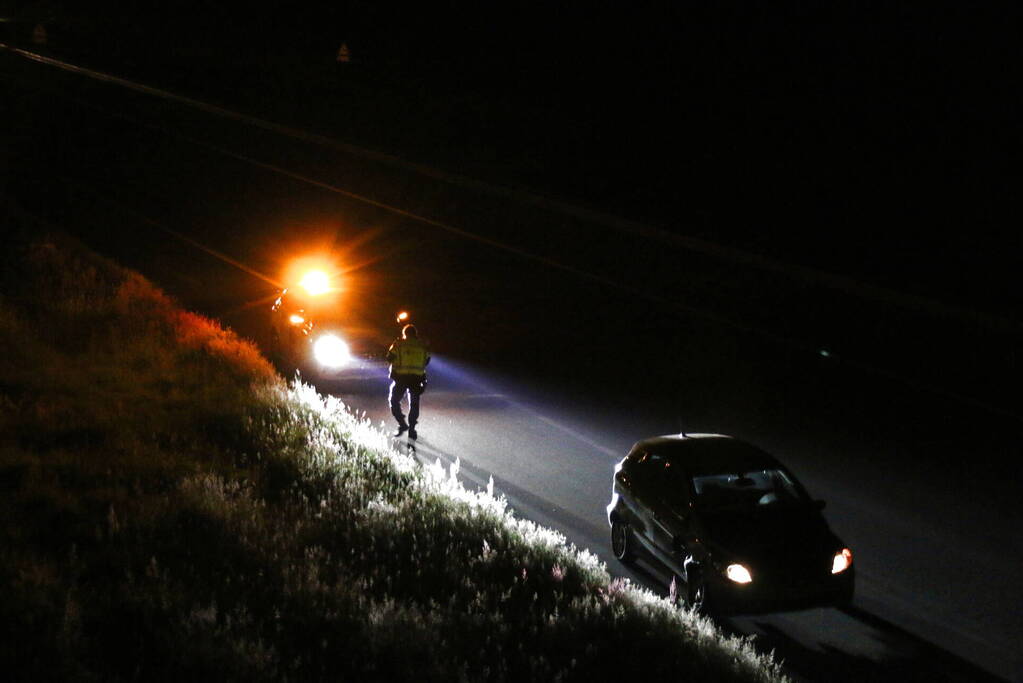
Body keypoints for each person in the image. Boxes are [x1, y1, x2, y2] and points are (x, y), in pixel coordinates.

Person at [386, 324, 430, 439]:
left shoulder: (398, 344)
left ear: (404, 333)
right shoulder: (422, 345)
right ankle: (412, 429)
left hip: (401, 378)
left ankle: (402, 424)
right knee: (414, 404)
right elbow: (427, 360)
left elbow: (389, 358)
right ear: (416, 334)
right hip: (416, 378)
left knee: (394, 400)